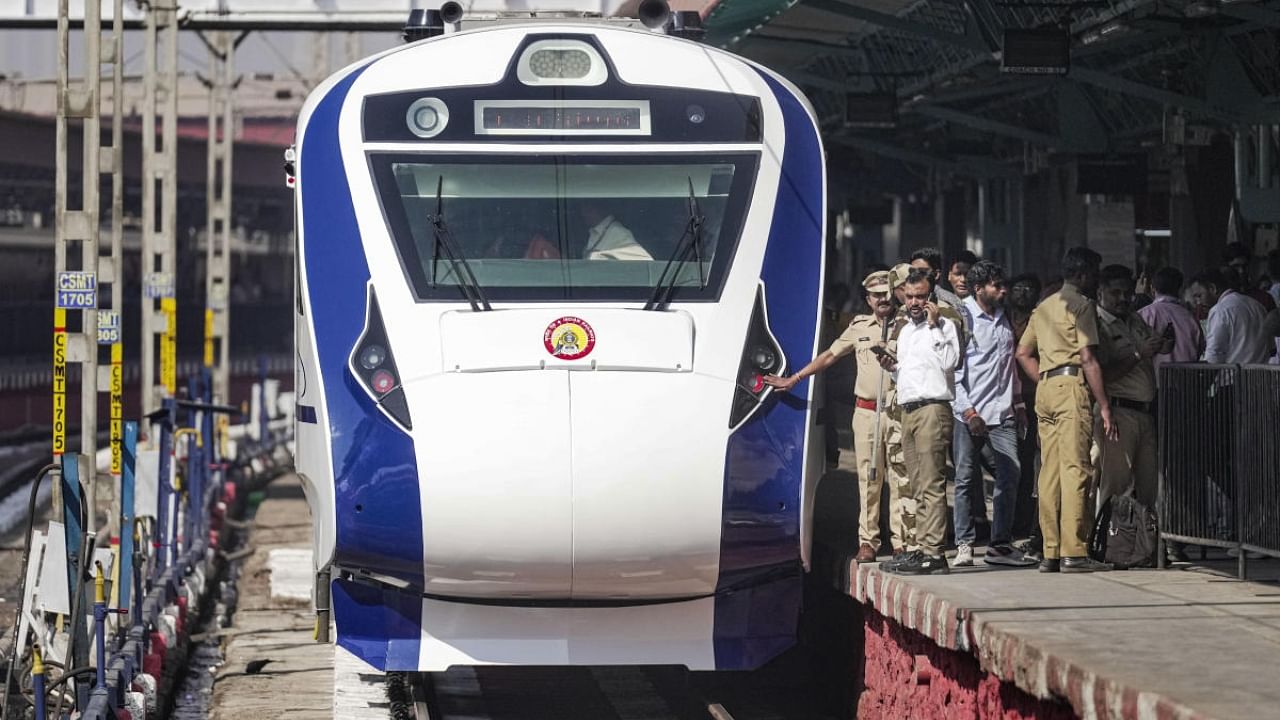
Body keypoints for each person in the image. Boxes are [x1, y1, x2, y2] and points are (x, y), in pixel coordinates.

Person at [765, 271, 911, 563]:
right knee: (869, 479)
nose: (882, 299)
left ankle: (902, 543)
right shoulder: (859, 327)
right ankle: (868, 541)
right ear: (868, 299)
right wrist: (795, 378)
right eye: (876, 295)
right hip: (867, 412)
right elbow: (830, 355)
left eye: (886, 293)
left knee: (901, 479)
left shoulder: (908, 326)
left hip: (898, 412)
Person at [1015, 247, 1115, 574]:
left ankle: (1050, 551)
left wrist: (1046, 378)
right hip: (1071, 386)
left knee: (1049, 472)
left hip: (1045, 388)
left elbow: (1023, 353)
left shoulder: (1043, 307)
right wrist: (1104, 405)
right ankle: (1074, 551)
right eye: (1094, 275)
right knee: (1077, 469)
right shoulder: (1082, 306)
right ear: (1084, 275)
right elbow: (1088, 358)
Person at [951, 261, 1036, 567]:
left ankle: (1000, 544)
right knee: (964, 479)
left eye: (1003, 285)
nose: (1003, 290)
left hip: (1003, 413)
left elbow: (1008, 366)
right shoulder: (962, 319)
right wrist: (969, 411)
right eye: (996, 285)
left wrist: (1018, 403)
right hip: (968, 414)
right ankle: (964, 544)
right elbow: (953, 372)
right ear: (978, 289)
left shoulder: (1004, 318)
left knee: (1010, 474)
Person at [877, 267, 961, 576]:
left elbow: (950, 363)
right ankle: (922, 548)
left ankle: (935, 553)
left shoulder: (946, 325)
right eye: (909, 296)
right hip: (908, 408)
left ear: (931, 297)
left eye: (921, 297)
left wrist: (936, 325)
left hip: (932, 410)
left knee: (931, 483)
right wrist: (891, 366)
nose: (914, 302)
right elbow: (910, 374)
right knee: (914, 485)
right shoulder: (907, 331)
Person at [1094, 265, 1167, 510]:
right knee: (1115, 484)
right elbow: (1102, 374)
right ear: (1100, 292)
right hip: (1118, 413)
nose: (1123, 299)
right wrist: (1138, 354)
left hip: (1145, 412)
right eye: (1115, 293)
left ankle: (1141, 543)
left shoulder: (1133, 318)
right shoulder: (1097, 325)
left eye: (1127, 293)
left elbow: (1152, 343)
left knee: (1148, 488)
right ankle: (1105, 543)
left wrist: (1162, 344)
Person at [1006, 273, 1043, 557]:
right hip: (1005, 398)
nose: (1023, 292)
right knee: (1010, 461)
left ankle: (1027, 522)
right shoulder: (1001, 318)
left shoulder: (1041, 319)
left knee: (1032, 461)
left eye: (1029, 288)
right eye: (1019, 287)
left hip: (1035, 395)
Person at [1136, 267, 1204, 386]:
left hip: (1155, 385)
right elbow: (1199, 349)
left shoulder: (1144, 314)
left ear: (1152, 288)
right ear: (1180, 289)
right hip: (1186, 385)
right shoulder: (1190, 317)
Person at [1196, 267, 1271, 364]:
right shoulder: (1257, 306)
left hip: (1232, 377)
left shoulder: (1220, 310)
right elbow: (1271, 347)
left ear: (1212, 288)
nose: (1198, 302)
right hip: (1260, 376)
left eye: (1200, 295)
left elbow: (1214, 355)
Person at [579, 203, 651, 260]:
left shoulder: (618, 232)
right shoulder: (594, 231)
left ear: (599, 210)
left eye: (588, 210)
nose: (583, 214)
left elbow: (644, 261)